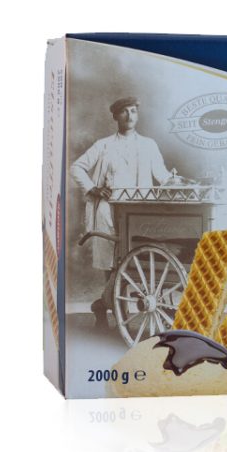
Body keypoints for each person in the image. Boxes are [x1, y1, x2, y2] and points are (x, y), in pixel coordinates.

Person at [70, 96, 172, 325]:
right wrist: (93, 189)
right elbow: (76, 168)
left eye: (133, 111)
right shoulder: (104, 145)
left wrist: (179, 182)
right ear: (116, 116)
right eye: (124, 111)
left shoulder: (148, 145)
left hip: (141, 213)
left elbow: (163, 176)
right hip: (109, 211)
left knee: (138, 261)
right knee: (112, 264)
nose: (129, 115)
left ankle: (101, 305)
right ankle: (117, 310)